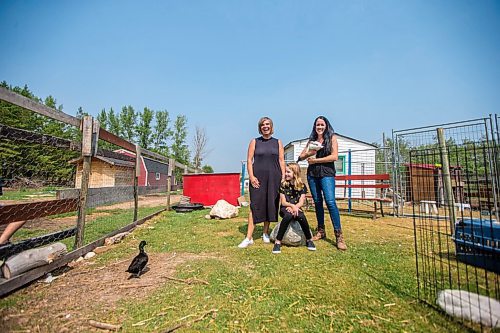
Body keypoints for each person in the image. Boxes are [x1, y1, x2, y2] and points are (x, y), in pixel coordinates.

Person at [297, 116, 347, 250]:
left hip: (327, 173)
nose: (319, 127)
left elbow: (334, 156)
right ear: (314, 126)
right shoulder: (311, 140)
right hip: (312, 174)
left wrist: (316, 160)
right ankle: (321, 231)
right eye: (317, 125)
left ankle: (339, 236)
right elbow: (301, 157)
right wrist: (311, 153)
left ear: (326, 126)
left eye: (322, 125)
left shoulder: (332, 138)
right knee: (317, 202)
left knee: (330, 202)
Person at [238, 117, 285, 248]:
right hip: (258, 178)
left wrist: (283, 177)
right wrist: (251, 176)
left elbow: (281, 160)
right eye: (263, 125)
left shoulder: (278, 142)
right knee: (255, 205)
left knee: (270, 204)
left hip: (274, 178)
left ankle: (265, 232)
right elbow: (249, 160)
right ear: (260, 127)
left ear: (271, 126)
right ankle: (248, 237)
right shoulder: (254, 142)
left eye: (268, 124)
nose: (265, 126)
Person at [272, 162, 316, 254]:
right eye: (285, 172)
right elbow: (283, 202)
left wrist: (295, 207)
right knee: (288, 216)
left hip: (297, 208)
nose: (286, 174)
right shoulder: (283, 185)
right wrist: (291, 206)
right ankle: (278, 241)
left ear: (295, 173)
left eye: (288, 172)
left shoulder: (302, 186)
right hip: (286, 208)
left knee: (301, 217)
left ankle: (309, 239)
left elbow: (301, 202)